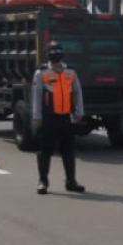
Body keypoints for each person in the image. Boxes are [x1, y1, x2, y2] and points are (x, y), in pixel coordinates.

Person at [32, 42, 85, 195]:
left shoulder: (71, 72)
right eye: (52, 53)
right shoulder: (41, 73)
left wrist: (79, 112)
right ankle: (43, 181)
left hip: (66, 117)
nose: (55, 57)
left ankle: (71, 181)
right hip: (48, 117)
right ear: (48, 55)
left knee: (68, 150)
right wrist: (37, 116)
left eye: (57, 53)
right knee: (45, 150)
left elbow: (77, 93)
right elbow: (36, 96)